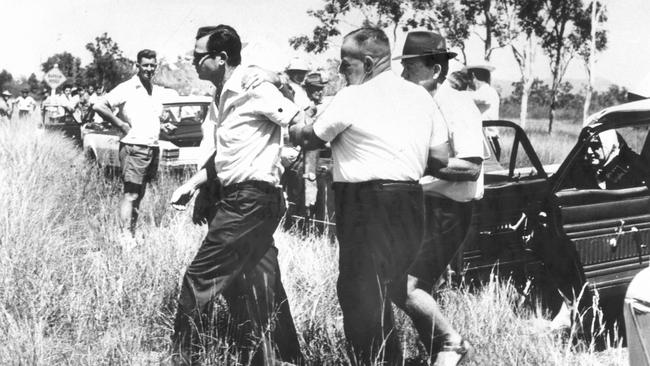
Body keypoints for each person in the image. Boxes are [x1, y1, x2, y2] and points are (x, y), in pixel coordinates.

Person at [289, 27, 453, 366]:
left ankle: (377, 361)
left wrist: (295, 126)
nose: (340, 71)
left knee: (360, 292)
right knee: (391, 285)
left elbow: (310, 138)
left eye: (345, 64)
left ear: (366, 62)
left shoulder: (352, 96)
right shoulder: (421, 96)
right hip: (409, 201)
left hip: (366, 204)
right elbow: (440, 158)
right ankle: (414, 352)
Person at [168, 25, 303, 366]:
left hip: (251, 198)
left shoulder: (252, 87)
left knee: (199, 278)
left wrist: (281, 81)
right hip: (243, 198)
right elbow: (226, 155)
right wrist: (194, 183)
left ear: (221, 57)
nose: (194, 62)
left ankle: (182, 358)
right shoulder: (222, 94)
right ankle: (282, 357)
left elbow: (298, 120)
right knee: (262, 279)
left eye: (199, 57)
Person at [397, 31, 484, 365]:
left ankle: (454, 345)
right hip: (425, 207)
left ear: (434, 70)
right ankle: (441, 350)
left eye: (410, 68)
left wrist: (420, 168)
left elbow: (471, 167)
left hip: (448, 210)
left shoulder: (458, 106)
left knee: (406, 287)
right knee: (404, 284)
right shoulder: (419, 105)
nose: (404, 76)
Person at [93, 49, 172, 235]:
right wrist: (121, 125)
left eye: (153, 65)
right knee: (131, 193)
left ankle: (131, 232)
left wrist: (164, 126)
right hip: (134, 147)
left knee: (140, 194)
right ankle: (124, 236)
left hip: (151, 147)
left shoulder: (155, 90)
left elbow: (153, 117)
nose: (149, 69)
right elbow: (99, 105)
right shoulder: (128, 87)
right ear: (137, 66)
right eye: (145, 65)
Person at [464, 64, 501, 159]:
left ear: (472, 76)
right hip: (482, 141)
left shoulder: (488, 92)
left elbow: (481, 98)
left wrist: (457, 94)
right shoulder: (484, 92)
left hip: (488, 142)